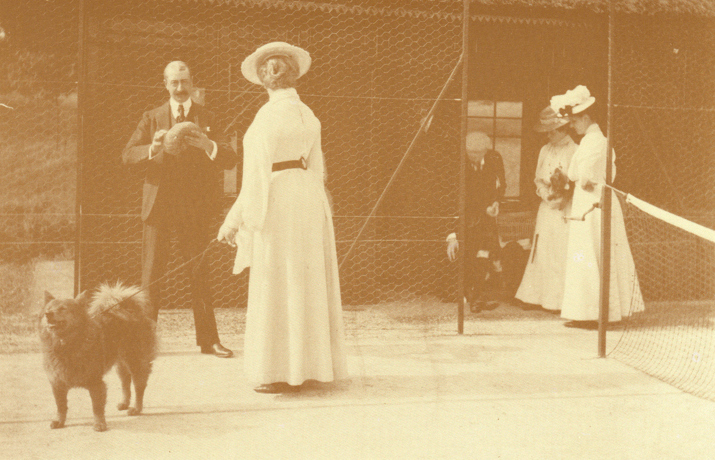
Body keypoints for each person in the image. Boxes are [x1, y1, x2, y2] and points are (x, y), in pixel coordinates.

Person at [217, 42, 347, 393]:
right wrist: (321, 205)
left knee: (279, 278)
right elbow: (319, 168)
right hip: (308, 196)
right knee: (305, 277)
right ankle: (309, 367)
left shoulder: (267, 117)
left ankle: (278, 372)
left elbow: (256, 177)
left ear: (263, 79)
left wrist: (233, 221)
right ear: (292, 75)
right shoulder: (308, 114)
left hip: (279, 198)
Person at [123, 61, 237, 357]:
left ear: (191, 82)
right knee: (151, 275)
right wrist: (153, 147)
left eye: (184, 81)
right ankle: (143, 344)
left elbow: (230, 157)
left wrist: (207, 143)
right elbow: (127, 155)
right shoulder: (151, 118)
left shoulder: (208, 117)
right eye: (174, 82)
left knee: (199, 273)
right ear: (165, 84)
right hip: (159, 206)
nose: (180, 87)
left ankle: (209, 341)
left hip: (194, 208)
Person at [550, 85, 644, 328]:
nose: (572, 126)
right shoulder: (588, 142)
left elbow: (581, 175)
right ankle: (587, 312)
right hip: (586, 201)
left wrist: (580, 177)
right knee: (584, 254)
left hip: (595, 203)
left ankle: (599, 314)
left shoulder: (597, 141)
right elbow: (574, 174)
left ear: (586, 118)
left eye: (575, 121)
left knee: (594, 253)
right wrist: (577, 176)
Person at [514, 106, 577, 312]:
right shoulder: (545, 150)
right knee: (542, 251)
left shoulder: (574, 150)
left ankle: (559, 301)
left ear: (564, 129)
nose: (549, 135)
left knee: (561, 251)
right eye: (547, 131)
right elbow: (537, 179)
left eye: (553, 131)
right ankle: (536, 297)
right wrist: (545, 194)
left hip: (564, 209)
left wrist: (563, 197)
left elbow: (576, 182)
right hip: (547, 207)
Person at [447, 133, 506, 313]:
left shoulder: (494, 158)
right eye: (469, 153)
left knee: (484, 253)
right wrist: (452, 233)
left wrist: (496, 202)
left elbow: (500, 185)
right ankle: (469, 294)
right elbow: (451, 197)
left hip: (486, 216)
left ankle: (478, 296)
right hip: (465, 214)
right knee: (468, 254)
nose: (472, 157)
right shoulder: (457, 161)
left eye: (477, 153)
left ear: (486, 151)